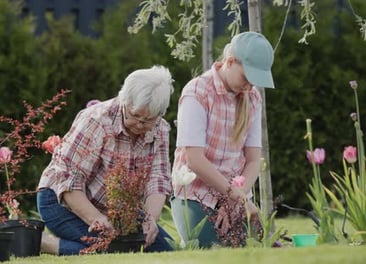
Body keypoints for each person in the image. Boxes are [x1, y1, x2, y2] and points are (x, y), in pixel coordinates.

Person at [37, 65, 175, 255]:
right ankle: (45, 244)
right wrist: (97, 220)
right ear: (124, 101)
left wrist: (150, 219)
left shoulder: (161, 129)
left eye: (148, 120)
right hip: (62, 201)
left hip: (115, 210)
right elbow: (70, 181)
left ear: (160, 114)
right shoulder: (96, 120)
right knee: (115, 251)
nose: (140, 124)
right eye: (135, 115)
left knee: (164, 251)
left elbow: (157, 179)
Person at [170, 31, 275, 248]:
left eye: (254, 82)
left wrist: (235, 199)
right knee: (209, 247)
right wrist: (233, 195)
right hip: (195, 194)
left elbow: (253, 161)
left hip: (235, 196)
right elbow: (194, 160)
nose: (249, 87)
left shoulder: (253, 99)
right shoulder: (197, 92)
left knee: (249, 247)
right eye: (246, 78)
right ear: (229, 62)